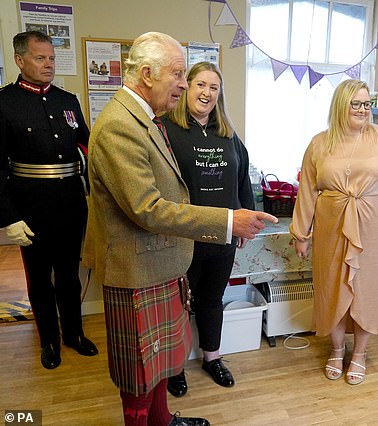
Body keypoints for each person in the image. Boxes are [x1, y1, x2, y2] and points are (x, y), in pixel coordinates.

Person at [83, 32, 277, 426]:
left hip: (159, 262)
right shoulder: (121, 125)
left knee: (155, 368)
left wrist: (236, 216)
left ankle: (164, 421)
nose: (186, 84)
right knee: (139, 375)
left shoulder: (145, 119)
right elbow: (147, 208)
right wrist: (227, 220)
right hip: (136, 268)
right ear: (148, 74)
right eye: (178, 74)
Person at [290, 79, 378, 385]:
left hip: (373, 225)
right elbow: (306, 189)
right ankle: (336, 349)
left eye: (366, 104)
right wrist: (301, 232)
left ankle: (359, 353)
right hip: (331, 226)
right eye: (355, 104)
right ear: (340, 106)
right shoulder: (319, 143)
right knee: (333, 286)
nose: (362, 110)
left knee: (368, 289)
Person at [0, 30, 97, 370]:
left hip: (71, 202)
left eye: (52, 58)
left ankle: (73, 334)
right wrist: (8, 218)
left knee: (69, 275)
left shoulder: (67, 100)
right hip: (30, 207)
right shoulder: (4, 102)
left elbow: (89, 147)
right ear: (20, 60)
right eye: (40, 58)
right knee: (39, 279)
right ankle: (50, 342)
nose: (48, 64)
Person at [162, 62, 253, 397]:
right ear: (186, 88)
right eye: (201, 85)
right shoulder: (167, 131)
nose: (207, 93)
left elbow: (243, 182)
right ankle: (175, 366)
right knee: (178, 305)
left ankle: (211, 358)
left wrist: (247, 222)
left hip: (223, 236)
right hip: (182, 238)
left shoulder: (228, 135)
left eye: (214, 87)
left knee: (213, 299)